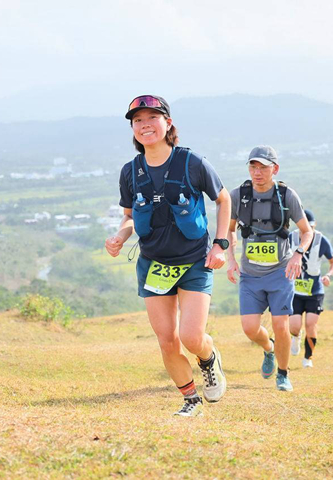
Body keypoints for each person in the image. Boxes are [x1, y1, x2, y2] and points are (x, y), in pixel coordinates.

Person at [105, 95, 231, 417]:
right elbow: (130, 216)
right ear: (133, 129)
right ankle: (191, 400)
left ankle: (208, 358)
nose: (145, 125)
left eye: (152, 118)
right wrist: (120, 235)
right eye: (137, 121)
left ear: (168, 123)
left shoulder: (192, 163)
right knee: (167, 340)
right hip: (154, 265)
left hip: (194, 262)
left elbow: (223, 198)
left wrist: (220, 245)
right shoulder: (130, 172)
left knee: (191, 336)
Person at [226, 145, 312, 392]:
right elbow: (228, 230)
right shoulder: (238, 196)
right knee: (250, 328)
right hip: (250, 274)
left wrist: (298, 254)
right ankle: (269, 349)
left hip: (280, 273)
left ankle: (283, 375)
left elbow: (307, 232)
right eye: (253, 167)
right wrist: (230, 259)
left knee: (281, 325)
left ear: (275, 169)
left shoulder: (287, 196)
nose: (257, 172)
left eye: (263, 167)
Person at [287, 209, 333, 368]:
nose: (306, 231)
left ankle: (308, 357)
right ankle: (295, 337)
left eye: (310, 227)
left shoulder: (321, 240)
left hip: (315, 290)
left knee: (311, 324)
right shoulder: (291, 238)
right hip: (295, 290)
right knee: (294, 326)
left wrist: (328, 275)